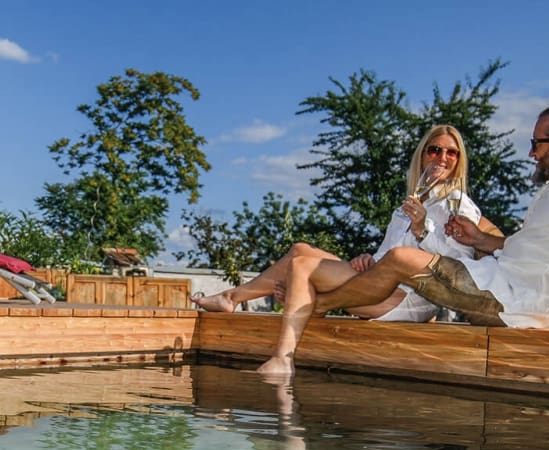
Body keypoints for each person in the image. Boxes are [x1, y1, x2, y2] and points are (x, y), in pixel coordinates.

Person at [219, 103, 549, 374]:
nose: (532, 151)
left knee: (389, 258)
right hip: (494, 277)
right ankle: (295, 305)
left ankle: (301, 314)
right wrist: (483, 240)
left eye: (539, 143)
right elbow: (520, 248)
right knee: (347, 256)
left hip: (510, 302)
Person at [192, 125, 505, 369]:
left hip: (406, 299)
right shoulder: (409, 204)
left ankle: (283, 359)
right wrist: (368, 258)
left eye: (452, 153)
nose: (442, 159)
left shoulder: (458, 203)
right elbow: (388, 255)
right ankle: (232, 297)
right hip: (379, 283)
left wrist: (425, 228)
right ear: (423, 155)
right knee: (300, 250)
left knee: (302, 268)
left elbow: (461, 264)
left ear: (459, 160)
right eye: (435, 150)